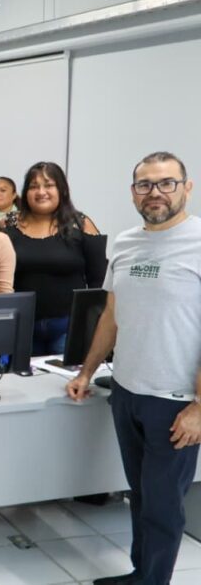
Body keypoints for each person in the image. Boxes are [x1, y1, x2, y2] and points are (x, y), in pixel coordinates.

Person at [67, 152, 201, 585]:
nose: (155, 193)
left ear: (187, 187)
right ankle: (140, 574)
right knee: (140, 496)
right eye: (145, 185)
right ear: (133, 192)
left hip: (176, 400)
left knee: (163, 507)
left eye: (166, 183)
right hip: (127, 391)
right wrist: (87, 372)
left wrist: (200, 406)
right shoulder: (125, 243)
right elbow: (111, 315)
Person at [7, 162, 107, 355]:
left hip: (68, 326)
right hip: (22, 326)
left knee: (61, 383)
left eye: (48, 185)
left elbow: (98, 279)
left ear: (62, 189)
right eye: (34, 186)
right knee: (22, 383)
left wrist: (96, 325)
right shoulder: (9, 225)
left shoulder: (81, 223)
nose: (41, 192)